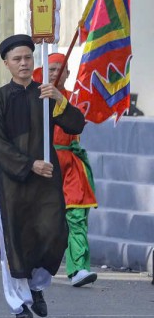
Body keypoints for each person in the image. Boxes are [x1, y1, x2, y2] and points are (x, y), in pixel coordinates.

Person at [0, 34, 85, 318]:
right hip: (14, 182)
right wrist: (30, 164)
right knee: (15, 241)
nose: (23, 63)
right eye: (17, 59)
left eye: (28, 58)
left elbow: (76, 123)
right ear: (6, 63)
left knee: (54, 234)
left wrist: (60, 100)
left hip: (46, 181)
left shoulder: (45, 94)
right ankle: (19, 304)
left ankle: (37, 286)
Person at [44, 53, 97, 288]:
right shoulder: (35, 98)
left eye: (60, 69)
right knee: (47, 222)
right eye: (52, 69)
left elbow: (79, 123)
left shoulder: (76, 98)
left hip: (72, 163)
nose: (56, 73)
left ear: (67, 73)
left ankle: (79, 269)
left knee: (77, 217)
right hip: (47, 164)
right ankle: (37, 269)